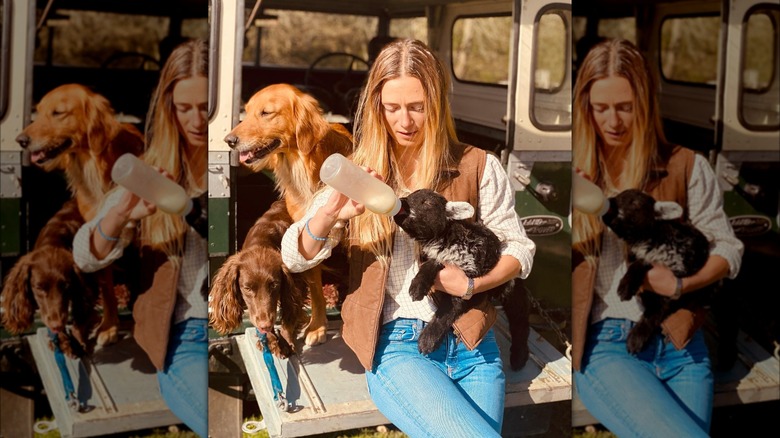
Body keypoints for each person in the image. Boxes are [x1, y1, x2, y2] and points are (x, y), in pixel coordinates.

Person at [280, 38, 536, 437]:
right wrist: (330, 214)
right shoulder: (361, 172)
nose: (405, 121)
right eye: (392, 108)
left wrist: (473, 284)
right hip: (396, 345)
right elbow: (295, 257)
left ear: (436, 105)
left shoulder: (476, 165)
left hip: (471, 342)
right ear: (376, 106)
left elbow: (519, 248)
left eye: (417, 107)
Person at [571, 38, 744, 437]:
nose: (613, 121)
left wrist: (683, 284)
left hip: (680, 336)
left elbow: (728, 247)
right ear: (586, 108)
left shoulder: (685, 165)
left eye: (625, 108)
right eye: (601, 109)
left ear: (646, 104)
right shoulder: (577, 171)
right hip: (607, 342)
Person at [73, 39, 209, 437]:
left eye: (207, 108)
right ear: (169, 109)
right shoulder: (152, 175)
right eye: (184, 108)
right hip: (187, 335)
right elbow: (85, 255)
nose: (197, 120)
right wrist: (123, 216)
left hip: (250, 329)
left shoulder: (245, 172)